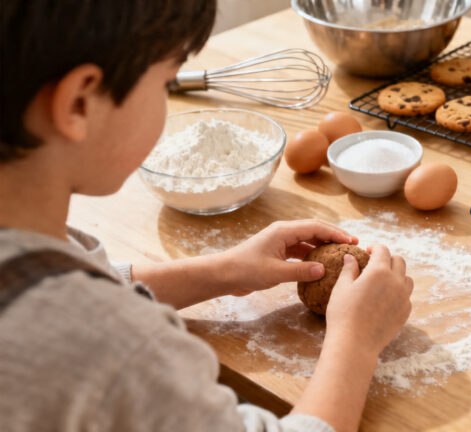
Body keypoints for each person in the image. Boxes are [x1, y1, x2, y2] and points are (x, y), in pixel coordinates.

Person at [0, 1, 413, 431]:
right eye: (165, 82)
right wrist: (356, 342)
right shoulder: (116, 349)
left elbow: (75, 279)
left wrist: (224, 271)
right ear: (79, 104)